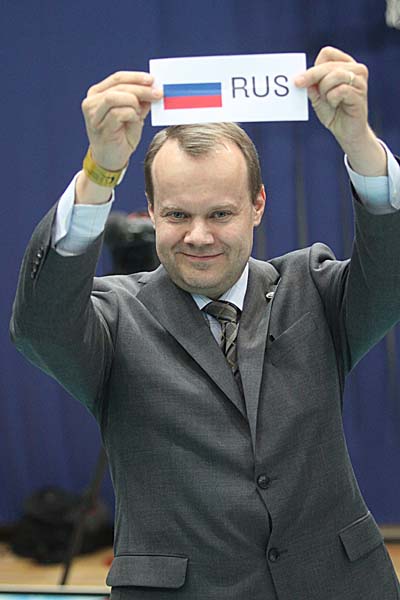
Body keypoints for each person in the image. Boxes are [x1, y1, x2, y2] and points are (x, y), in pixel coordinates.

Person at [10, 46, 400, 599]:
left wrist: (360, 144)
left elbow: (391, 271)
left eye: (220, 213)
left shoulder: (313, 289)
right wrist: (99, 172)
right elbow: (41, 324)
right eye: (177, 215)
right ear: (150, 210)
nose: (198, 236)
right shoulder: (113, 318)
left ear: (257, 205)